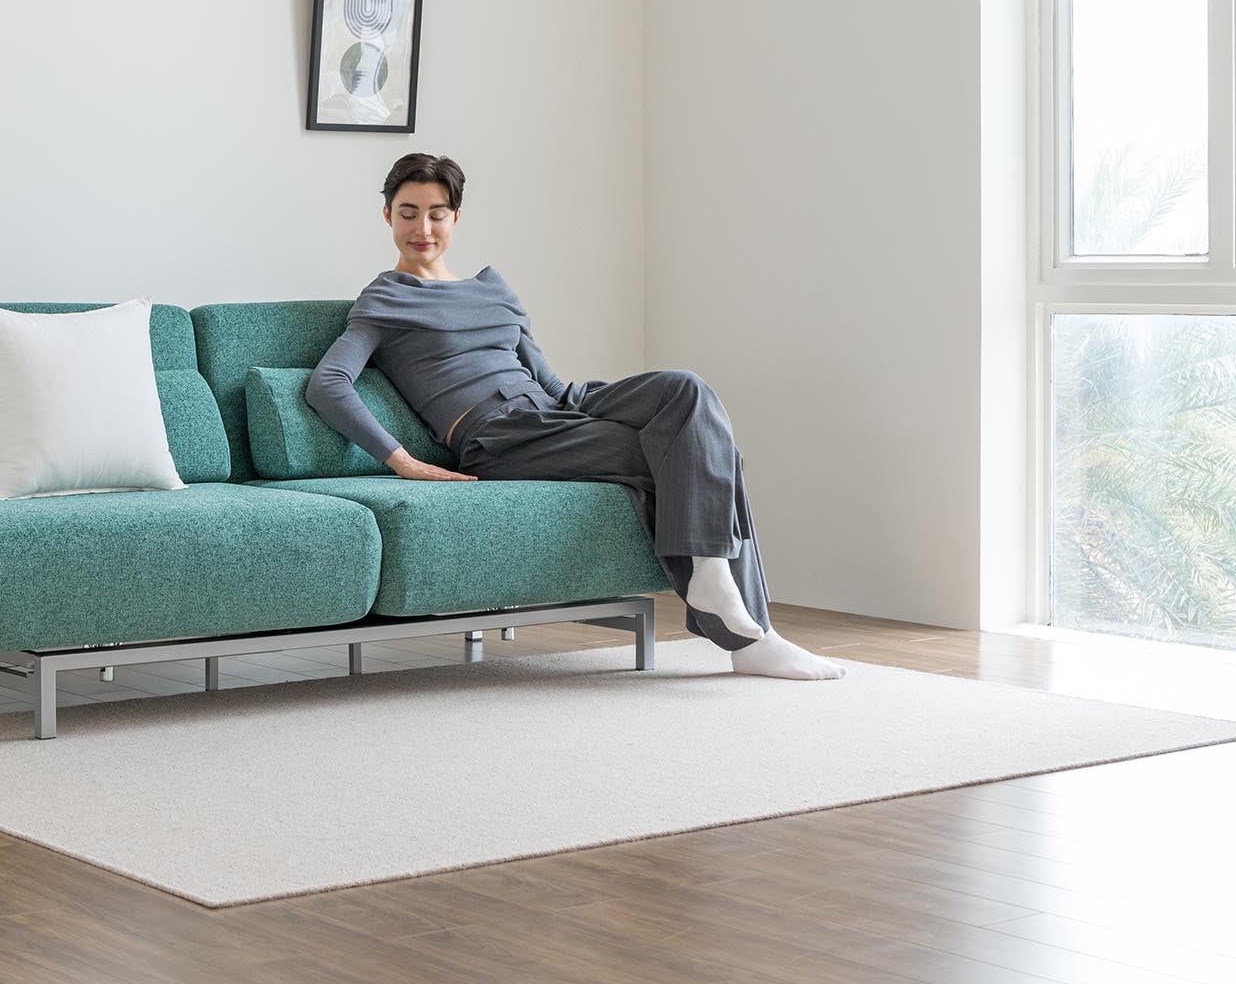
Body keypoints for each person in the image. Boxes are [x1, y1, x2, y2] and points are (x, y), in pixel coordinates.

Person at [307, 152, 843, 680]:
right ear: (387, 215)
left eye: (436, 212)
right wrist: (402, 461)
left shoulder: (493, 289)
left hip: (555, 412)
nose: (422, 228)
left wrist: (607, 404)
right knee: (698, 458)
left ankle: (714, 582)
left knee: (687, 394)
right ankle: (752, 637)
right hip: (499, 435)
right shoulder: (385, 298)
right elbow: (327, 384)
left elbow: (550, 381)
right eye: (408, 212)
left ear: (456, 217)